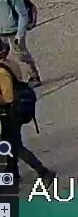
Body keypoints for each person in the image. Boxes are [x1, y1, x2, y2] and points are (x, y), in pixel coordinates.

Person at [0, 39, 53, 183]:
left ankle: (42, 171)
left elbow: (8, 97)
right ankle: (12, 173)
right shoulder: (11, 63)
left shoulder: (1, 71)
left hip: (10, 112)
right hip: (17, 110)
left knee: (15, 145)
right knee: (9, 142)